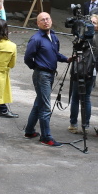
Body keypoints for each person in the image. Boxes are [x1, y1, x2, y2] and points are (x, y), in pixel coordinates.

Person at [23, 12, 69, 146]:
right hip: (42, 75)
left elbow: (55, 54)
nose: (45, 21)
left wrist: (67, 59)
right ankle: (46, 137)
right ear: (38, 24)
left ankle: (29, 131)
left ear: (51, 20)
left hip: (50, 74)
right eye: (42, 20)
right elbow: (27, 58)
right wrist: (36, 67)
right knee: (45, 107)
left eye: (47, 19)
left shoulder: (53, 36)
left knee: (39, 103)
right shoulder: (36, 39)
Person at [68, 19, 98, 133]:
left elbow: (77, 46)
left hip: (82, 70)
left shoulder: (89, 38)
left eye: (94, 23)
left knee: (79, 98)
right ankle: (84, 125)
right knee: (84, 98)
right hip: (90, 70)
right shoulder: (97, 37)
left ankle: (76, 124)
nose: (90, 25)